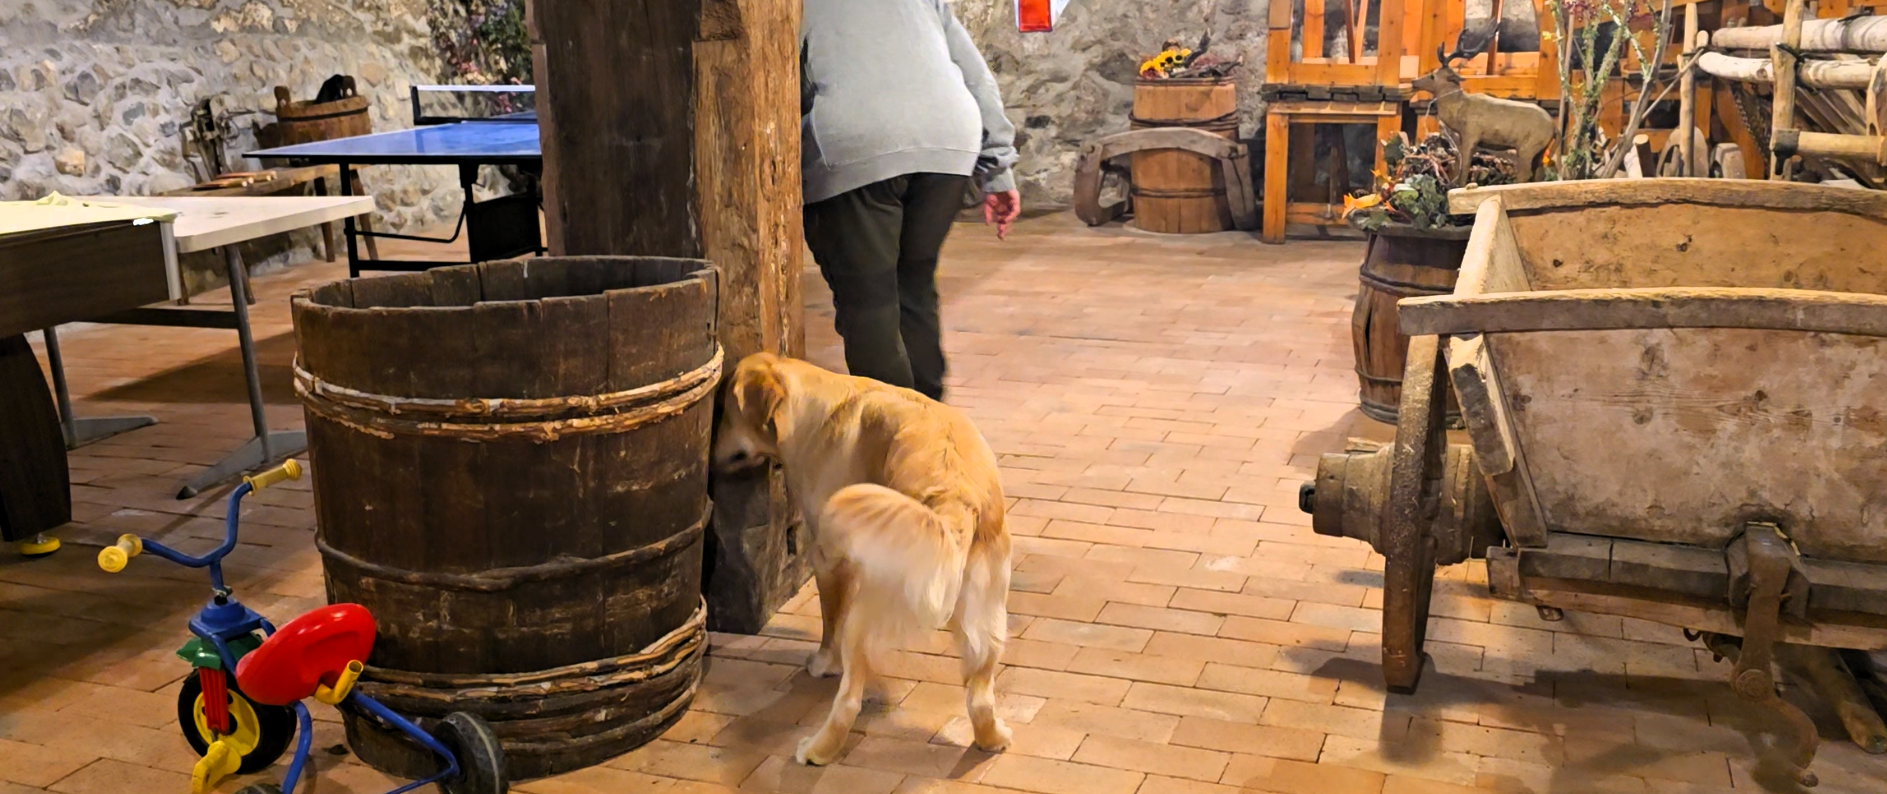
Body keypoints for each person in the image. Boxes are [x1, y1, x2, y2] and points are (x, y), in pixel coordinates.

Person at [800, 0, 1021, 403]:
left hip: (857, 142)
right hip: (949, 139)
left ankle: (895, 428)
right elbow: (977, 77)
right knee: (914, 286)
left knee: (870, 302)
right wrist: (998, 168)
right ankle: (931, 422)